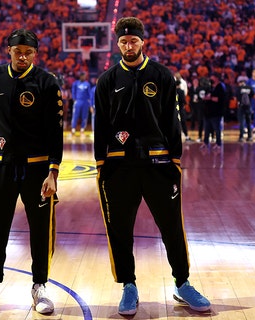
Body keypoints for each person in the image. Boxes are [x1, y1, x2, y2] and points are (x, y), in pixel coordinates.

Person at [93, 17, 211, 315]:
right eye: (123, 41)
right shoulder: (107, 80)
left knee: (172, 228)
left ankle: (182, 284)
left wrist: (174, 159)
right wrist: (100, 163)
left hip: (159, 165)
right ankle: (128, 286)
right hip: (119, 167)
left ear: (143, 41)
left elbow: (173, 122)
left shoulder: (162, 75)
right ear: (117, 43)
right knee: (120, 230)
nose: (128, 46)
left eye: (133, 41)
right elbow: (101, 125)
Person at [0, 28, 63, 317]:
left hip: (37, 169)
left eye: (28, 52)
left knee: (40, 230)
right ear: (8, 51)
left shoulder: (47, 82)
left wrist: (53, 171)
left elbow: (55, 131)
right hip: (2, 166)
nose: (23, 56)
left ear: (35, 54)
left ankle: (40, 286)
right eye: (18, 51)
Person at [201, 73, 226, 150]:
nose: (211, 79)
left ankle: (218, 143)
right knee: (206, 128)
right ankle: (205, 142)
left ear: (216, 78)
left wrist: (210, 98)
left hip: (216, 112)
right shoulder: (210, 87)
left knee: (216, 128)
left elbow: (219, 99)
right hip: (208, 112)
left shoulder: (220, 87)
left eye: (212, 77)